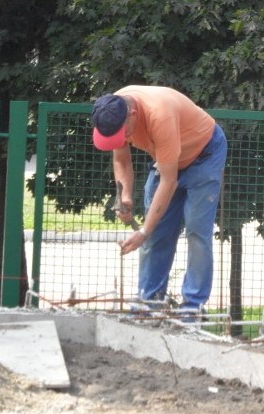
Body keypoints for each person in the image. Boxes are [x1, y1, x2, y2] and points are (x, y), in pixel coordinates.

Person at [91, 85, 227, 311]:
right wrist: (124, 196)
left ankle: (192, 309)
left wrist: (143, 231)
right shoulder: (113, 110)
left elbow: (168, 182)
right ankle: (148, 305)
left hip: (205, 154)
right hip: (168, 160)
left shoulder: (159, 114)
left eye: (122, 132)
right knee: (156, 235)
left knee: (196, 232)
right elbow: (121, 160)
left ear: (132, 115)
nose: (121, 138)